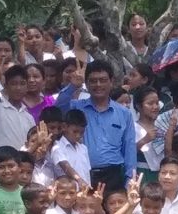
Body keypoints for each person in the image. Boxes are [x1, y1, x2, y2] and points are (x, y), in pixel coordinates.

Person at [56, 60, 137, 194]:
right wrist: (72, 86)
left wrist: (130, 180)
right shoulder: (76, 107)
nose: (98, 84)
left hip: (113, 175)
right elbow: (58, 109)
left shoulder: (124, 114)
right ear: (86, 84)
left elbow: (129, 148)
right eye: (93, 81)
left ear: (111, 81)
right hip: (82, 175)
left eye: (103, 80)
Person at [52, 109, 91, 190]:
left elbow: (87, 173)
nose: (78, 135)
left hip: (84, 192)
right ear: (64, 127)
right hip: (67, 193)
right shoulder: (57, 147)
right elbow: (66, 167)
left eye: (81, 132)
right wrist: (79, 180)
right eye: (75, 131)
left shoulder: (83, 148)